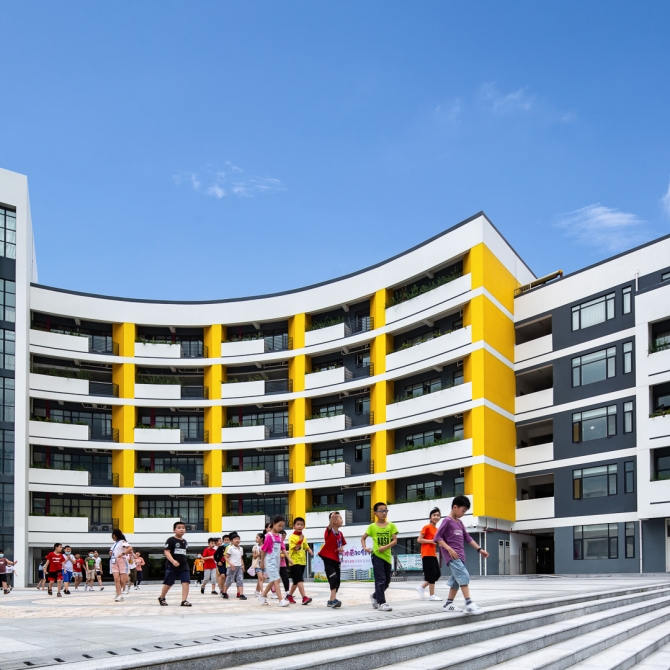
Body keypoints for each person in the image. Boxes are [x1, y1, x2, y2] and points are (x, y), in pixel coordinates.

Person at [434, 495, 489, 614]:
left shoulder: (459, 523)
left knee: (456, 581)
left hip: (460, 556)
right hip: (452, 556)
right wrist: (449, 549)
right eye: (463, 510)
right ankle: (468, 603)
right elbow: (437, 537)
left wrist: (480, 549)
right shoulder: (447, 521)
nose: (463, 513)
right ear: (455, 507)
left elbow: (467, 538)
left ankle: (448, 604)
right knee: (464, 575)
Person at [362, 502, 398, 612]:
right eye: (381, 510)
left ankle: (375, 596)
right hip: (376, 556)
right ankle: (381, 603)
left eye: (385, 510)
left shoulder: (391, 526)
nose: (384, 513)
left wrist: (385, 547)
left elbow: (395, 541)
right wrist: (365, 548)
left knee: (387, 581)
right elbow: (363, 538)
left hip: (387, 557)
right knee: (380, 579)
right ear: (375, 513)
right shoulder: (372, 527)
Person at [259, 515, 291, 606]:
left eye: (282, 526)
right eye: (279, 525)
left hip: (277, 562)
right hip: (270, 561)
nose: (281, 528)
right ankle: (281, 600)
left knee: (273, 580)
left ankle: (262, 595)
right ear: (274, 524)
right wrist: (262, 562)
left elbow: (283, 548)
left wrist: (289, 559)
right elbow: (263, 550)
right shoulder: (268, 536)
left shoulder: (280, 536)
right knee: (277, 579)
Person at [158, 521, 191, 607]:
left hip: (184, 566)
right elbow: (166, 551)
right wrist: (173, 561)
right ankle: (162, 598)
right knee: (168, 583)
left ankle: (184, 600)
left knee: (186, 582)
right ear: (174, 530)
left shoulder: (185, 541)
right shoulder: (171, 540)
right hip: (172, 565)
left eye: (183, 528)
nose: (181, 529)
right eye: (179, 528)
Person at [318, 511, 346, 608]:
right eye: (340, 518)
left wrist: (341, 548)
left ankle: (331, 600)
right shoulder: (329, 531)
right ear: (334, 521)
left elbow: (341, 544)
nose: (342, 520)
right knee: (333, 577)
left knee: (337, 581)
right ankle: (333, 600)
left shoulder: (340, 534)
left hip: (336, 559)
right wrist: (332, 518)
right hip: (328, 558)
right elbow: (330, 526)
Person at [416, 507, 443, 601]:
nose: (436, 517)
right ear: (430, 517)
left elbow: (438, 541)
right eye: (434, 515)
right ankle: (432, 595)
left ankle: (421, 587)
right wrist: (431, 541)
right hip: (427, 554)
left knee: (437, 574)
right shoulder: (427, 527)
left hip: (433, 554)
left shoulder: (437, 529)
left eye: (438, 515)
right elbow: (419, 539)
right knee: (432, 574)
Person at [287, 516, 313, 605]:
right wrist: (300, 540)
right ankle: (304, 597)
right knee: (299, 580)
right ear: (294, 526)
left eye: (301, 525)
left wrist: (309, 550)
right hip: (294, 562)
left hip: (302, 561)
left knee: (296, 581)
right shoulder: (292, 537)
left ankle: (289, 596)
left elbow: (305, 546)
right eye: (298, 524)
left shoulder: (304, 537)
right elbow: (296, 548)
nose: (300, 526)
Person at [109, 529, 132, 602]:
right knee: (116, 579)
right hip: (114, 561)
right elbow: (112, 551)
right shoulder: (114, 544)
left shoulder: (122, 542)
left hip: (122, 561)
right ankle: (119, 595)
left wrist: (123, 553)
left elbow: (130, 548)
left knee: (123, 580)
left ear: (114, 535)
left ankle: (118, 591)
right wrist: (111, 553)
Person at [223, 532, 246, 600]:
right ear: (232, 541)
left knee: (240, 580)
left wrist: (242, 565)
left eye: (238, 539)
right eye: (235, 539)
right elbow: (226, 557)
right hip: (232, 567)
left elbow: (240, 558)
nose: (237, 540)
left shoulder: (241, 548)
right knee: (229, 580)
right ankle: (224, 592)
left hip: (239, 566)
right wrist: (230, 563)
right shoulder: (230, 548)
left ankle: (241, 594)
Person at [279, 529, 290, 594]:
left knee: (285, 578)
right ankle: (274, 593)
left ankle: (287, 593)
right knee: (275, 579)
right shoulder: (276, 542)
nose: (284, 537)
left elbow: (283, 552)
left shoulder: (283, 543)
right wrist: (286, 552)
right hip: (276, 563)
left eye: (285, 536)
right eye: (283, 535)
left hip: (283, 563)